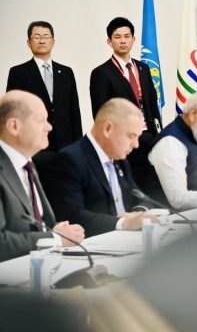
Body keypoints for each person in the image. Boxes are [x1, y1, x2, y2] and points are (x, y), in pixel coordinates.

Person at [41, 98, 158, 237]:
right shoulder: (70, 160)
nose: (136, 144)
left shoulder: (120, 161)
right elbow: (73, 215)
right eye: (131, 136)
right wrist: (123, 223)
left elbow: (139, 196)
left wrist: (139, 213)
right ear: (108, 129)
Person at [0, 90, 84, 262]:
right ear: (14, 126)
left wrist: (59, 231)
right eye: (41, 120)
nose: (49, 127)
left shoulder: (28, 163)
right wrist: (55, 238)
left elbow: (41, 224)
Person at [89, 17, 163, 202]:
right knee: (132, 189)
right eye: (117, 37)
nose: (123, 41)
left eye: (126, 36)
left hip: (148, 136)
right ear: (109, 41)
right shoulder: (101, 73)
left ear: (133, 39)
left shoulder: (143, 68)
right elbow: (100, 113)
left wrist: (158, 134)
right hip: (122, 141)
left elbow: (152, 104)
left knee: (153, 185)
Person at [6, 21, 82, 152]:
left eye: (46, 37)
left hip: (66, 143)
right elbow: (12, 111)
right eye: (37, 37)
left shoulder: (66, 72)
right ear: (28, 43)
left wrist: (79, 145)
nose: (42, 41)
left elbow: (74, 111)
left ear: (53, 41)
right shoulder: (18, 73)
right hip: (33, 143)